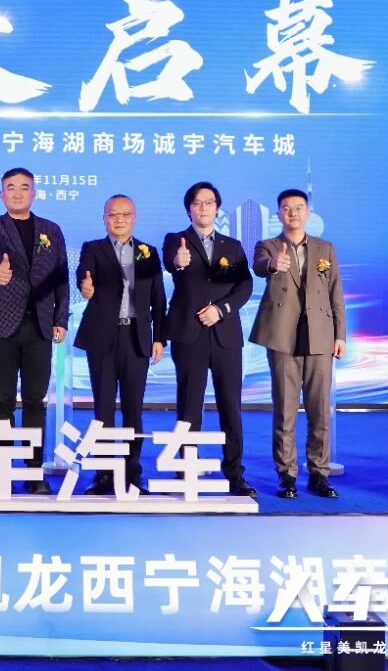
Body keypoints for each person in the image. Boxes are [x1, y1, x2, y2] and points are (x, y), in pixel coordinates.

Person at [0, 167, 69, 494]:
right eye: (11, 188)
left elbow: (61, 277)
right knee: (2, 400)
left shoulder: (51, 230)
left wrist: (61, 318)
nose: (17, 193)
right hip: (1, 326)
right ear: (2, 194)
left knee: (34, 401)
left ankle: (33, 472)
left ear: (34, 192)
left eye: (24, 187)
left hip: (40, 326)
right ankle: (2, 471)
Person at [250, 189, 346, 499]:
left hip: (320, 335)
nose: (293, 213)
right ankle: (286, 475)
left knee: (320, 411)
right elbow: (260, 265)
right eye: (286, 208)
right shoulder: (267, 246)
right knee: (285, 410)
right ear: (278, 213)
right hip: (283, 337)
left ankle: (319, 473)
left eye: (299, 207)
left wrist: (340, 335)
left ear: (308, 212)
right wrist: (273, 263)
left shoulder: (325, 249)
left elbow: (335, 292)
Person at [162, 181, 256, 498]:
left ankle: (235, 473)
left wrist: (221, 309)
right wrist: (179, 262)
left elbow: (244, 286)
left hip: (225, 334)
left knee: (231, 405)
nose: (203, 208)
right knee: (189, 405)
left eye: (209, 202)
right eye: (197, 203)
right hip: (189, 335)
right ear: (189, 209)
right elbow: (172, 263)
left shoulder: (233, 245)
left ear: (217, 208)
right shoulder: (176, 240)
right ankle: (186, 468)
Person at [74, 194, 166, 495]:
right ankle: (103, 474)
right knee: (103, 408)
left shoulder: (148, 252)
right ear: (104, 219)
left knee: (133, 409)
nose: (119, 220)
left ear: (134, 218)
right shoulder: (93, 249)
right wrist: (85, 285)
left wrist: (159, 337)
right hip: (102, 337)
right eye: (113, 215)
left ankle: (131, 472)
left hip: (136, 337)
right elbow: (84, 275)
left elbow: (158, 299)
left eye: (125, 214)